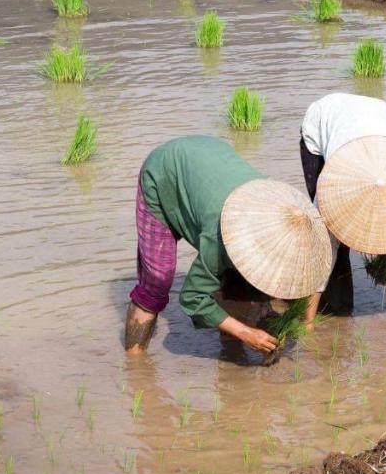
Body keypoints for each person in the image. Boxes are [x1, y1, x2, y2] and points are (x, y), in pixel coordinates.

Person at [124, 136, 332, 357]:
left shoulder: (292, 217)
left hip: (211, 158)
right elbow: (192, 298)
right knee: (158, 279)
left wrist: (302, 323)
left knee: (240, 280)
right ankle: (135, 365)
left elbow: (303, 278)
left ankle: (229, 349)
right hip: (164, 172)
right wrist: (245, 333)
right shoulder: (221, 235)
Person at [299, 93, 386, 307]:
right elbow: (325, 249)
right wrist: (307, 321)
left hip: (377, 115)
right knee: (336, 234)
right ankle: (337, 307)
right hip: (323, 121)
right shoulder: (333, 187)